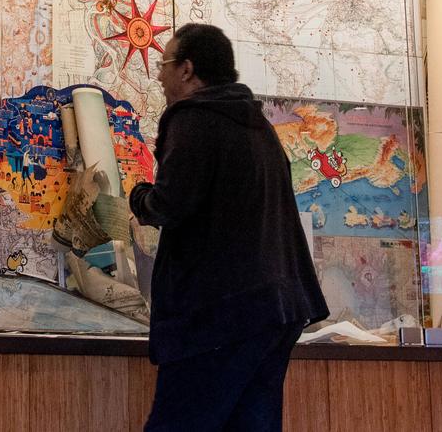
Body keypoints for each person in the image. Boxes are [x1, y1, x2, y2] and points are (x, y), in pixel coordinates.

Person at [128, 23, 327, 432]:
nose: (160, 76)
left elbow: (170, 204)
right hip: (276, 311)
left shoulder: (194, 118)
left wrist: (138, 197)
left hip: (219, 314)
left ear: (187, 70)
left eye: (165, 65)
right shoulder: (257, 125)